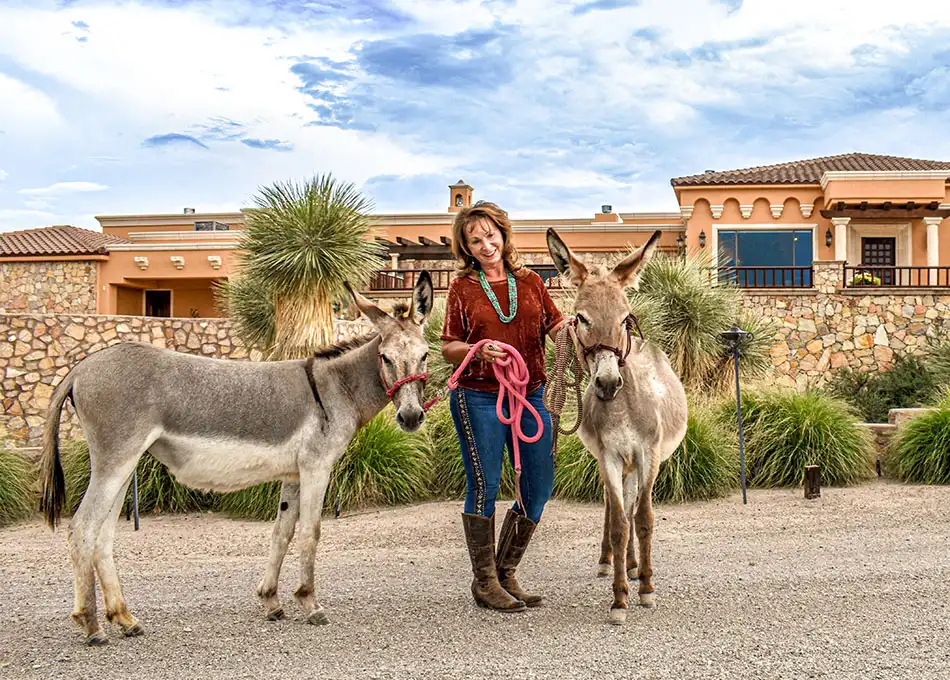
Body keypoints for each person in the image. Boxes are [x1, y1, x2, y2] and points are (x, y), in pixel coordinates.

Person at [440, 201, 567, 613]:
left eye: (490, 235)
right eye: (474, 240)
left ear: (503, 233)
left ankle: (505, 570)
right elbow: (448, 346)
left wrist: (587, 327)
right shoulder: (463, 288)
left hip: (531, 394)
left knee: (540, 485)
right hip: (478, 394)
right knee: (486, 484)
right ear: (466, 248)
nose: (485, 244)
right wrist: (477, 349)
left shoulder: (530, 281)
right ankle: (485, 581)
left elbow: (556, 325)